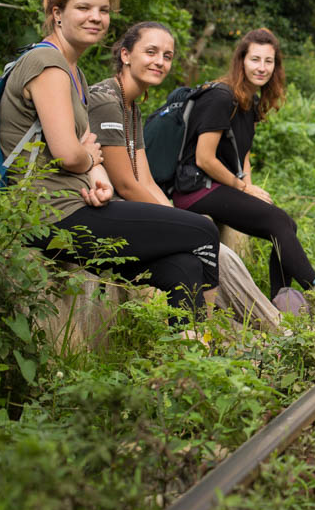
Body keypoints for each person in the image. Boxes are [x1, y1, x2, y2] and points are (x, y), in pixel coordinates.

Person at [0, 0, 219, 322]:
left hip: (75, 205)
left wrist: (93, 174)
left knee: (181, 266)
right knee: (203, 230)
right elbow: (71, 153)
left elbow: (86, 155)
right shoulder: (48, 64)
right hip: (50, 217)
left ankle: (189, 359)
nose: (96, 17)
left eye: (103, 10)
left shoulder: (75, 74)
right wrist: (86, 160)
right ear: (57, 12)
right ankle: (217, 332)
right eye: (83, 8)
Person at [87, 22, 282, 330]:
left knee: (207, 253)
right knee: (207, 240)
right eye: (150, 52)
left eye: (167, 55)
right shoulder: (105, 99)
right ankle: (270, 330)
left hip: (127, 210)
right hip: (99, 213)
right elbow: (125, 183)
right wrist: (180, 223)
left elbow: (146, 180)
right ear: (125, 54)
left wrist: (176, 218)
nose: (160, 62)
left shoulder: (132, 106)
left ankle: (241, 334)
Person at [171, 28, 315, 299]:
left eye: (268, 61)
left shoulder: (249, 99)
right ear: (241, 60)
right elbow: (204, 158)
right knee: (278, 221)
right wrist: (243, 189)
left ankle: (283, 299)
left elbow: (244, 153)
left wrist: (250, 186)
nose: (262, 68)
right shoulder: (221, 97)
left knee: (284, 223)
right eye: (255, 59)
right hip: (194, 190)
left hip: (217, 186)